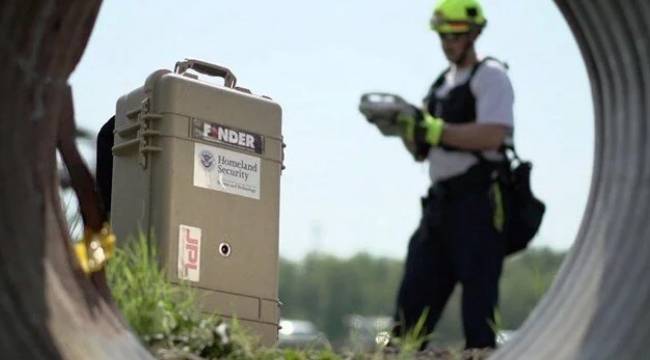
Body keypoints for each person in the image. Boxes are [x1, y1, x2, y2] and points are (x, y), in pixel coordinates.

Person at [391, 0, 514, 349]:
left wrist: (436, 131)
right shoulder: (440, 86)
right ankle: (390, 350)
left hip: (478, 207)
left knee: (478, 313)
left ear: (475, 33)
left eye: (456, 35)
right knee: (407, 309)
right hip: (439, 208)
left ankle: (482, 353)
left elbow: (494, 134)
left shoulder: (491, 76)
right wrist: (406, 130)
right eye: (443, 35)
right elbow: (422, 150)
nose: (448, 42)